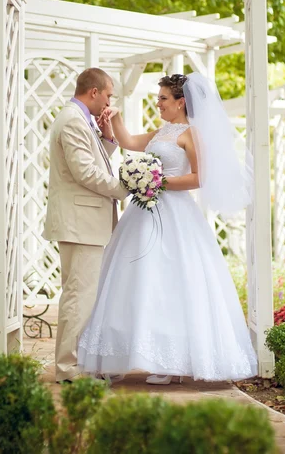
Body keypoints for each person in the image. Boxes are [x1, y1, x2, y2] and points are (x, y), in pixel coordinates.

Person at [77, 72, 258, 384]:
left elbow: (200, 177)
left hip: (176, 214)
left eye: (163, 98)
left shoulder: (191, 134)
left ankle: (170, 363)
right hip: (144, 212)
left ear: (180, 102)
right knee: (133, 280)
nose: (158, 103)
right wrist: (115, 120)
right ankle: (122, 354)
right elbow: (129, 142)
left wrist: (159, 182)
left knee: (171, 283)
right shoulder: (162, 132)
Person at [42, 67, 128, 383]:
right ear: (94, 92)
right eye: (108, 96)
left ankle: (77, 363)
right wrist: (124, 188)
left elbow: (93, 161)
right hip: (81, 223)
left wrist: (107, 137)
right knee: (78, 296)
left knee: (83, 295)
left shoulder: (82, 119)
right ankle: (68, 368)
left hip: (86, 222)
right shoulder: (72, 120)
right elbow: (84, 173)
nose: (108, 103)